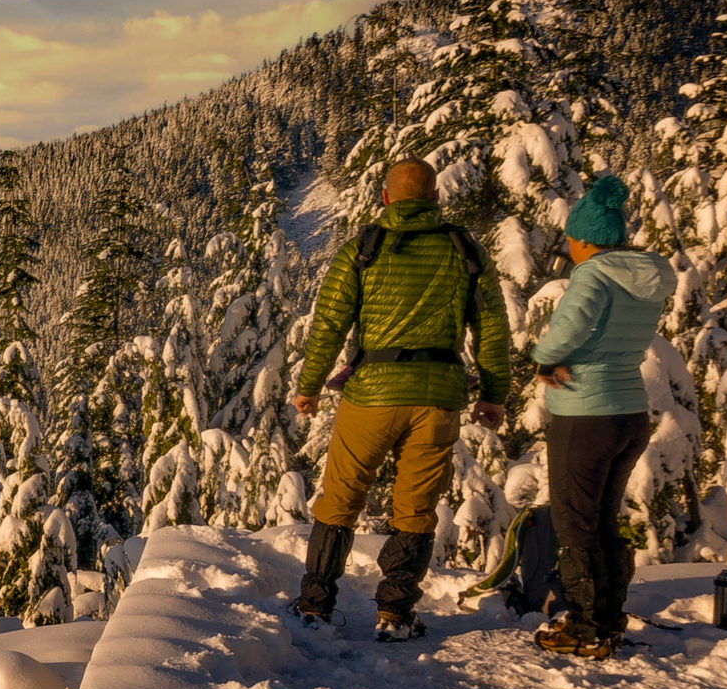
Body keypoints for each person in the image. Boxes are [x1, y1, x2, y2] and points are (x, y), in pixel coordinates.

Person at [287, 158, 512, 640]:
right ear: (434, 199)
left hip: (371, 395)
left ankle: (315, 606)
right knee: (415, 509)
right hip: (437, 397)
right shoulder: (464, 248)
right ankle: (394, 613)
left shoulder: (362, 248)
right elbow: (492, 326)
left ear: (386, 198)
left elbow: (329, 324)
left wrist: (309, 386)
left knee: (340, 501)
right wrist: (494, 395)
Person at [528, 174, 672, 658]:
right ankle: (607, 619)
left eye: (571, 239)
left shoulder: (594, 274)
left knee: (575, 524)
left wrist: (544, 356)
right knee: (603, 522)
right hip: (628, 410)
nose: (567, 248)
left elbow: (568, 327)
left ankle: (586, 625)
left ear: (586, 239)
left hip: (586, 413)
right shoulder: (644, 278)